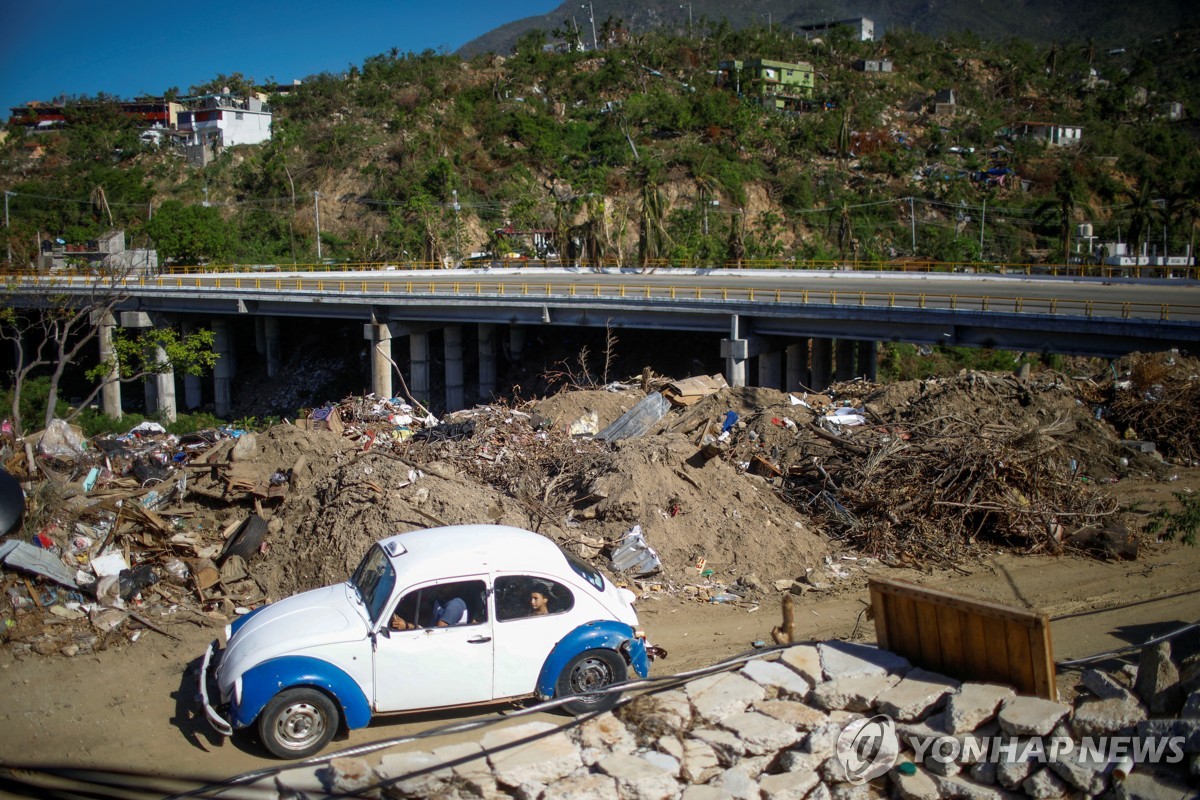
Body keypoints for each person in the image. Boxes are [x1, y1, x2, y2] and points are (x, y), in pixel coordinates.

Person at [392, 584, 468, 630]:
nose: (441, 586)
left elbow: (435, 636)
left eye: (446, 585)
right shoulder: (441, 597)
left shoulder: (454, 606)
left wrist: (407, 626)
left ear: (455, 585)